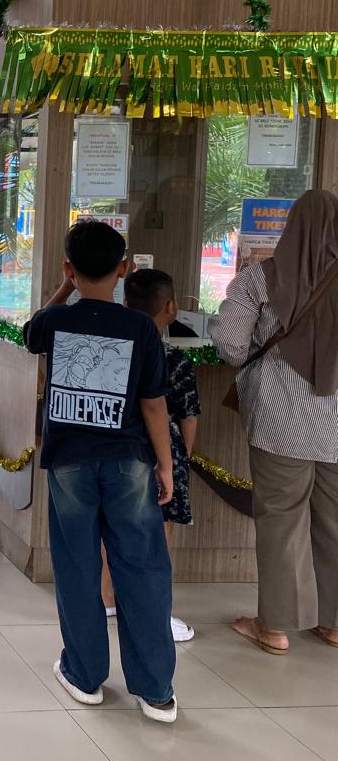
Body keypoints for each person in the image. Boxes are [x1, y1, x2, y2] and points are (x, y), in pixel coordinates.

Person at [23, 221, 179, 724]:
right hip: (130, 460)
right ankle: (155, 690)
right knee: (142, 567)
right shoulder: (141, 327)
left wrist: (66, 286)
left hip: (69, 461)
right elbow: (154, 405)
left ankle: (85, 675)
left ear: (69, 269)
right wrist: (166, 465)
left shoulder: (56, 321)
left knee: (77, 566)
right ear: (124, 268)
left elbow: (32, 329)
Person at [212, 189, 338, 655]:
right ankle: (333, 624)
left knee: (282, 521)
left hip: (282, 422)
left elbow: (230, 345)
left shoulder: (260, 279)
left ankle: (276, 626)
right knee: (335, 522)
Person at [101, 269, 200, 643]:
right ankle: (153, 612)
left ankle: (106, 598)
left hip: (116, 449)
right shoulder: (173, 357)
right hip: (162, 454)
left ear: (126, 304)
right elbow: (188, 415)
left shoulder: (115, 350)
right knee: (158, 532)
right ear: (171, 308)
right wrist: (179, 459)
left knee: (110, 525)